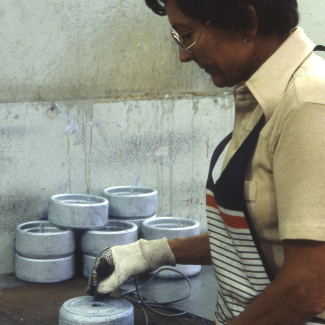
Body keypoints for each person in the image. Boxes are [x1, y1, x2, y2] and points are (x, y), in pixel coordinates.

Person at [87, 0, 325, 324]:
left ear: (247, 23)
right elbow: (255, 238)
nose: (184, 54)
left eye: (188, 35)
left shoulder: (308, 104)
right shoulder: (262, 97)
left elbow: (308, 287)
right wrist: (149, 254)